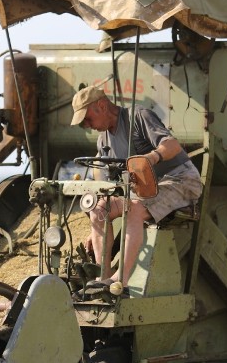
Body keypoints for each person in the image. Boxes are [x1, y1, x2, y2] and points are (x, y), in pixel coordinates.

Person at [70, 85, 203, 290]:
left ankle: (119, 280)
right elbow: (110, 186)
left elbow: (172, 145)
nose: (88, 125)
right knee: (98, 208)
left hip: (179, 179)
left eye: (88, 119)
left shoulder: (138, 116)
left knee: (133, 209)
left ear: (102, 106)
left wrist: (150, 158)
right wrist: (95, 228)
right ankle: (103, 277)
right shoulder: (103, 141)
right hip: (142, 191)